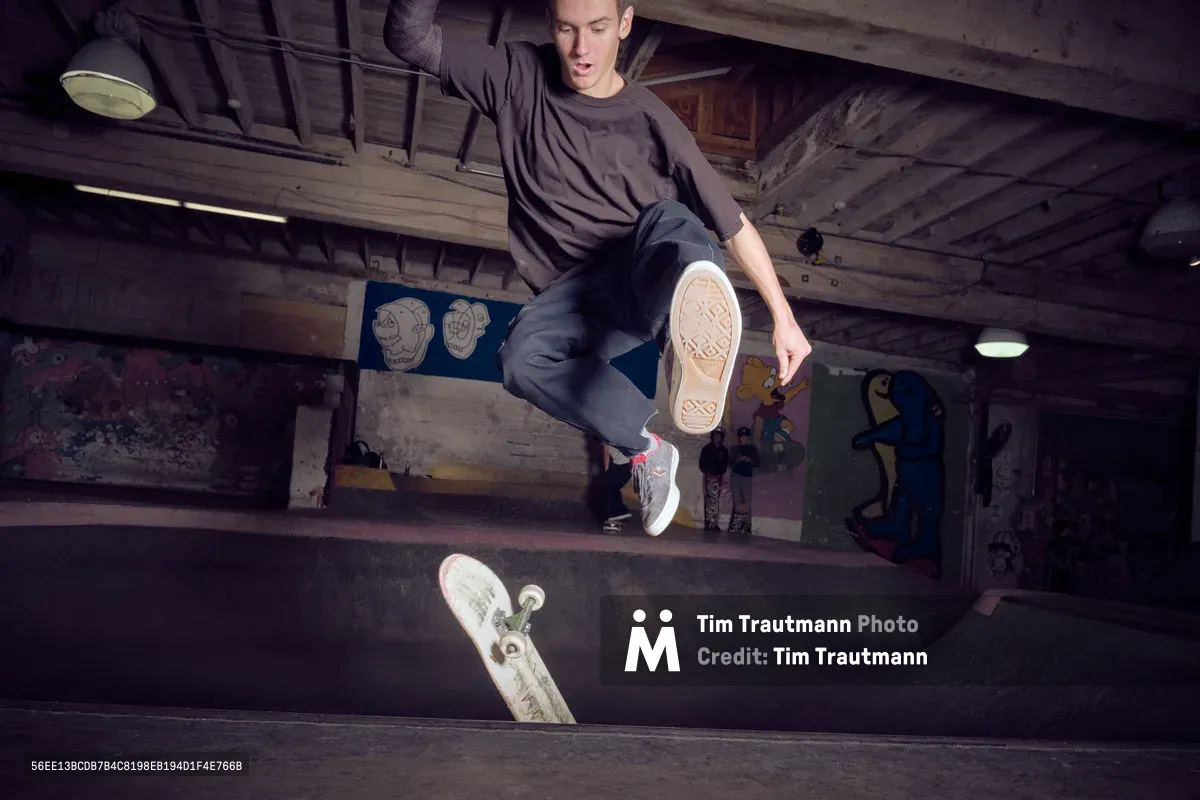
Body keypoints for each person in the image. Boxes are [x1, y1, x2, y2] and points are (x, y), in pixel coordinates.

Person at [384, 0, 811, 537]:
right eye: (567, 30)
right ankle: (645, 448)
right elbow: (411, 40)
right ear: (549, 24)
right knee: (519, 359)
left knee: (674, 220)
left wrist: (784, 318)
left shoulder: (653, 120)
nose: (581, 50)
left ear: (625, 25)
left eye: (598, 30)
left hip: (642, 278)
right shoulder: (516, 77)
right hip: (575, 298)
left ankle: (691, 319)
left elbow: (734, 223)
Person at [728, 426, 759, 537]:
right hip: (736, 476)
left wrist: (749, 460)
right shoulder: (735, 448)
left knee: (747, 501)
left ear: (748, 437)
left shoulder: (752, 449)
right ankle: (736, 526)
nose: (743, 439)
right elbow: (730, 463)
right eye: (741, 436)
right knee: (737, 501)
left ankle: (746, 527)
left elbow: (757, 463)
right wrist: (738, 460)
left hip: (747, 477)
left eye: (745, 437)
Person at [698, 429, 730, 533]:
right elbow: (702, 463)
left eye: (719, 436)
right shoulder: (707, 449)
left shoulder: (724, 450)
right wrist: (708, 473)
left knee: (716, 500)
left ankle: (714, 523)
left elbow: (725, 464)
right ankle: (709, 523)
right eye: (716, 436)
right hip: (709, 477)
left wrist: (719, 473)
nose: (718, 438)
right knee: (709, 499)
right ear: (712, 437)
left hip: (719, 477)